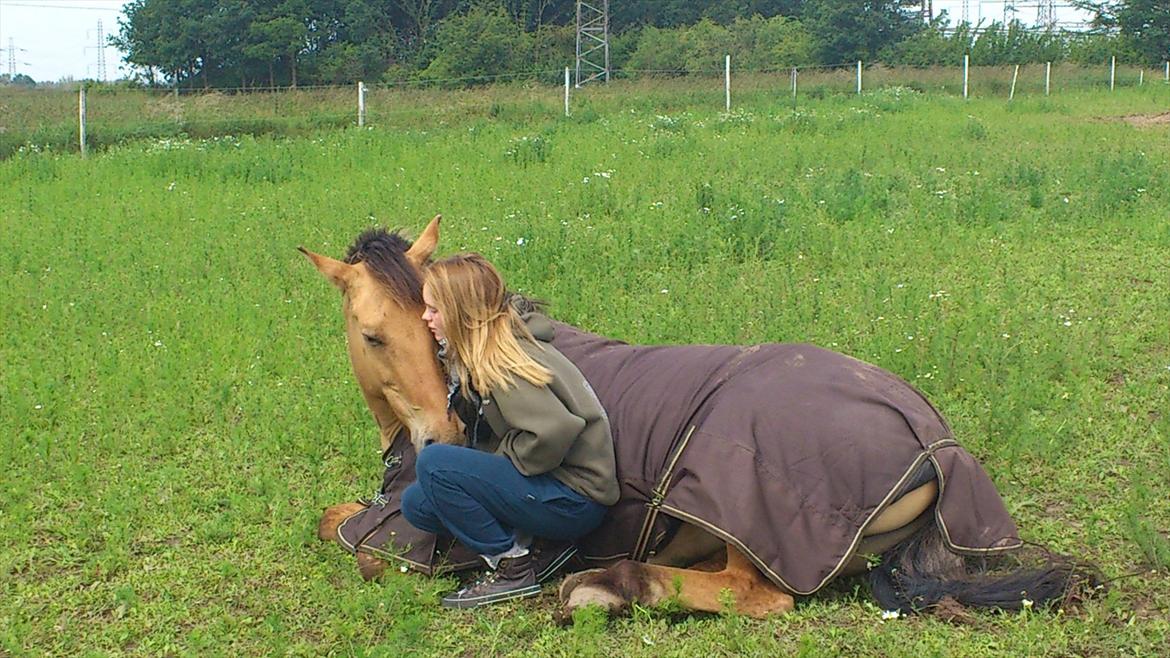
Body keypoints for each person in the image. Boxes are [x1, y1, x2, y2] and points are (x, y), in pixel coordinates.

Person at [401, 253, 620, 609]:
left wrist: (500, 467)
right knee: (418, 504)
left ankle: (513, 566)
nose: (425, 318)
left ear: (460, 313)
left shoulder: (502, 361)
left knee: (435, 464)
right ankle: (545, 550)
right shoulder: (485, 349)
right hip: (553, 489)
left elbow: (553, 430)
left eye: (433, 309)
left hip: (575, 497)